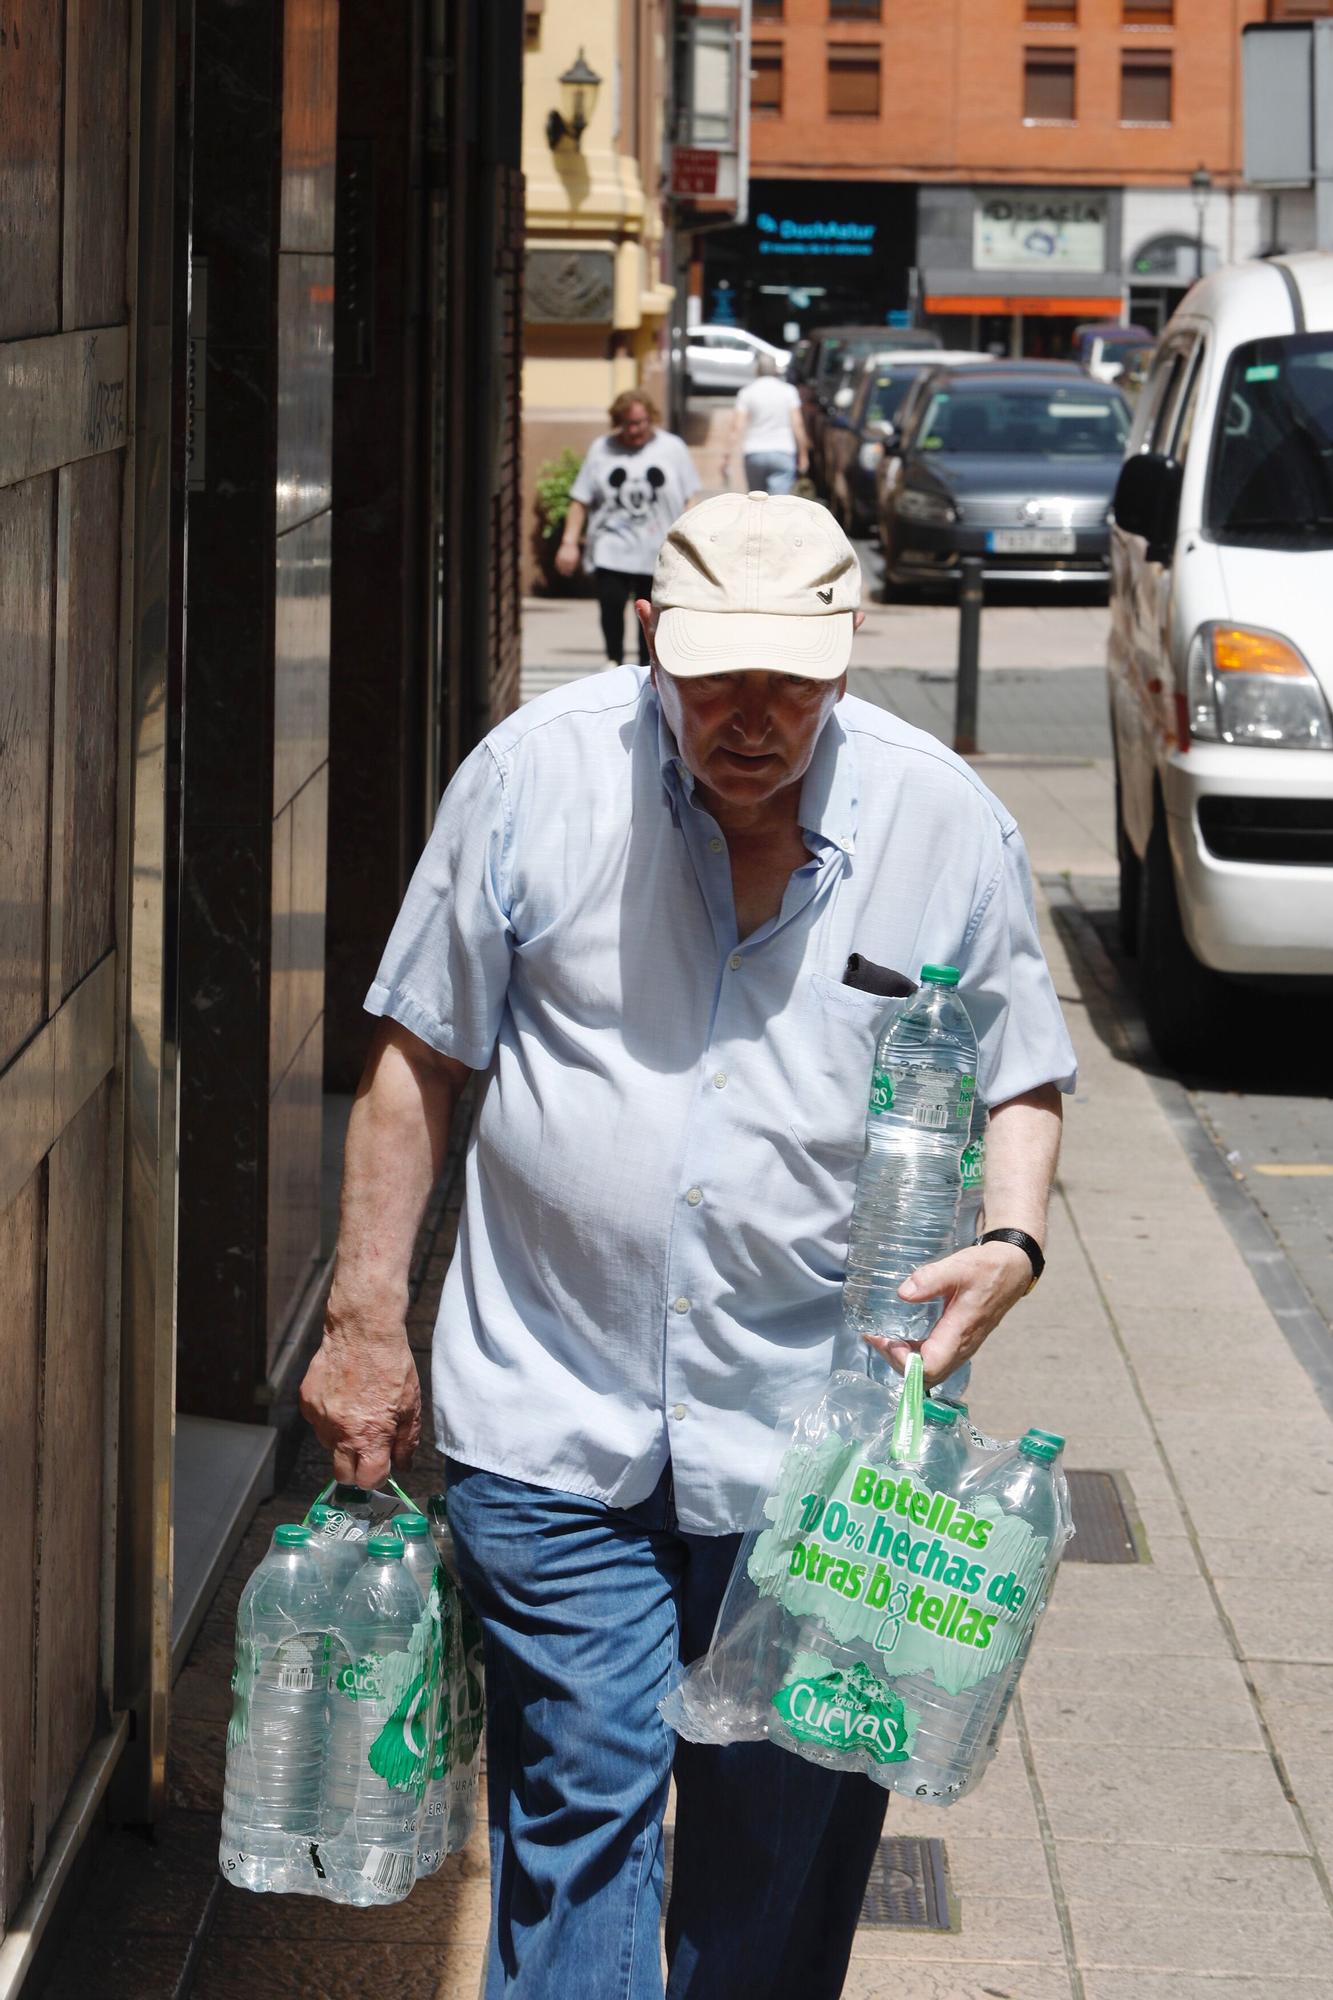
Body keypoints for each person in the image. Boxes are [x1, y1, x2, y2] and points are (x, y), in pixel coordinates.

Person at [300, 491, 1077, 2000]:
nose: (751, 719)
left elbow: (1018, 1070)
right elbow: (417, 1059)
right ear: (650, 639)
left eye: (790, 682)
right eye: (717, 679)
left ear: (845, 660)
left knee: (781, 1834)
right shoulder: (531, 779)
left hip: (822, 1440)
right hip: (551, 1399)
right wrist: (363, 1322)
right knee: (580, 1797)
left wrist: (1012, 1237)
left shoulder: (942, 820)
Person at [555, 389, 699, 669]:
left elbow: (690, 498)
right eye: (628, 423)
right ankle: (614, 662)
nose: (635, 430)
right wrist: (569, 542)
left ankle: (648, 669)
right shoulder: (602, 449)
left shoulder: (673, 448)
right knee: (611, 605)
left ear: (651, 419)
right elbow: (580, 499)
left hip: (657, 550)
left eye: (641, 422)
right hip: (612, 546)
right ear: (618, 421)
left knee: (651, 616)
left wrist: (689, 541)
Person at [723, 354, 808, 495]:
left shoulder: (747, 392)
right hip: (783, 452)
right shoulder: (789, 391)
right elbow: (797, 424)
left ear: (757, 369)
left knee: (757, 505)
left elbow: (736, 427)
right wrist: (803, 454)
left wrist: (727, 457)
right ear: (776, 370)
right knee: (778, 507)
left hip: (754, 453)